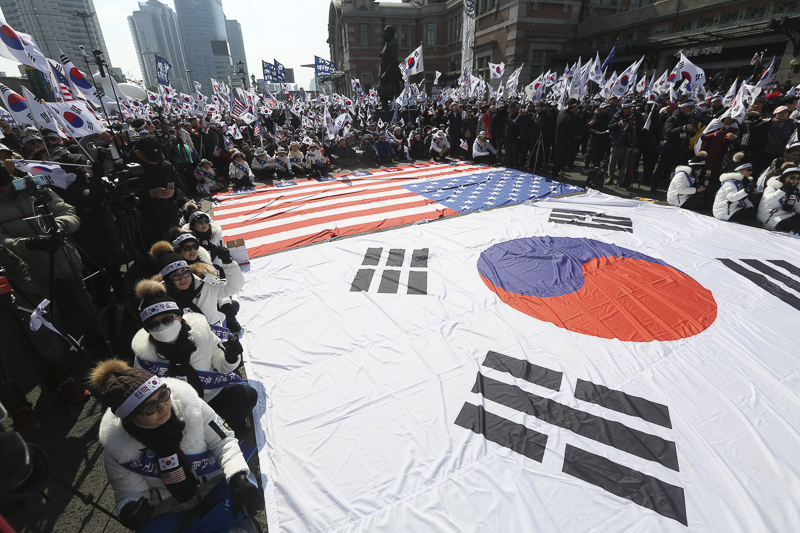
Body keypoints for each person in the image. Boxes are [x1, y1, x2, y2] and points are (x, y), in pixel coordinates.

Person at [92, 359, 263, 532]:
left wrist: (237, 476)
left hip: (213, 483)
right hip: (170, 502)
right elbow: (129, 491)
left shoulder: (192, 405)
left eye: (163, 395)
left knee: (248, 490)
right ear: (130, 418)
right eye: (150, 407)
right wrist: (130, 507)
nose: (163, 407)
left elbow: (224, 441)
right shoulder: (116, 447)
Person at [132, 280, 256, 428]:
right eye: (153, 324)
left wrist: (231, 358)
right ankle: (215, 429)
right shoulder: (143, 357)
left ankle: (221, 429)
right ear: (147, 330)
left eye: (167, 319)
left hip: (210, 396)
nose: (162, 327)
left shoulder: (202, 333)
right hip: (176, 410)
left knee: (247, 395)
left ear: (179, 317)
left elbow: (223, 367)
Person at [149, 241, 243, 328]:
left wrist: (228, 262)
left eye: (185, 272)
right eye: (175, 276)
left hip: (214, 337)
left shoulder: (205, 283)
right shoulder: (160, 299)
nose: (183, 278)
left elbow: (232, 288)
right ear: (167, 280)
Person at [132, 136, 186, 247]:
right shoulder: (130, 169)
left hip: (169, 217)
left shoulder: (166, 166)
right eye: (151, 158)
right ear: (138, 153)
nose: (155, 161)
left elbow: (182, 189)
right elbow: (127, 198)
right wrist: (150, 194)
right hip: (146, 221)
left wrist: (174, 193)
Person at [552, 98, 581, 177]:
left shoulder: (562, 113)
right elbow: (576, 129)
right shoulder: (569, 117)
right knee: (560, 159)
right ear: (574, 107)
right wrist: (588, 125)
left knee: (558, 158)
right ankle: (555, 174)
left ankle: (555, 172)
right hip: (565, 141)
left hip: (559, 139)